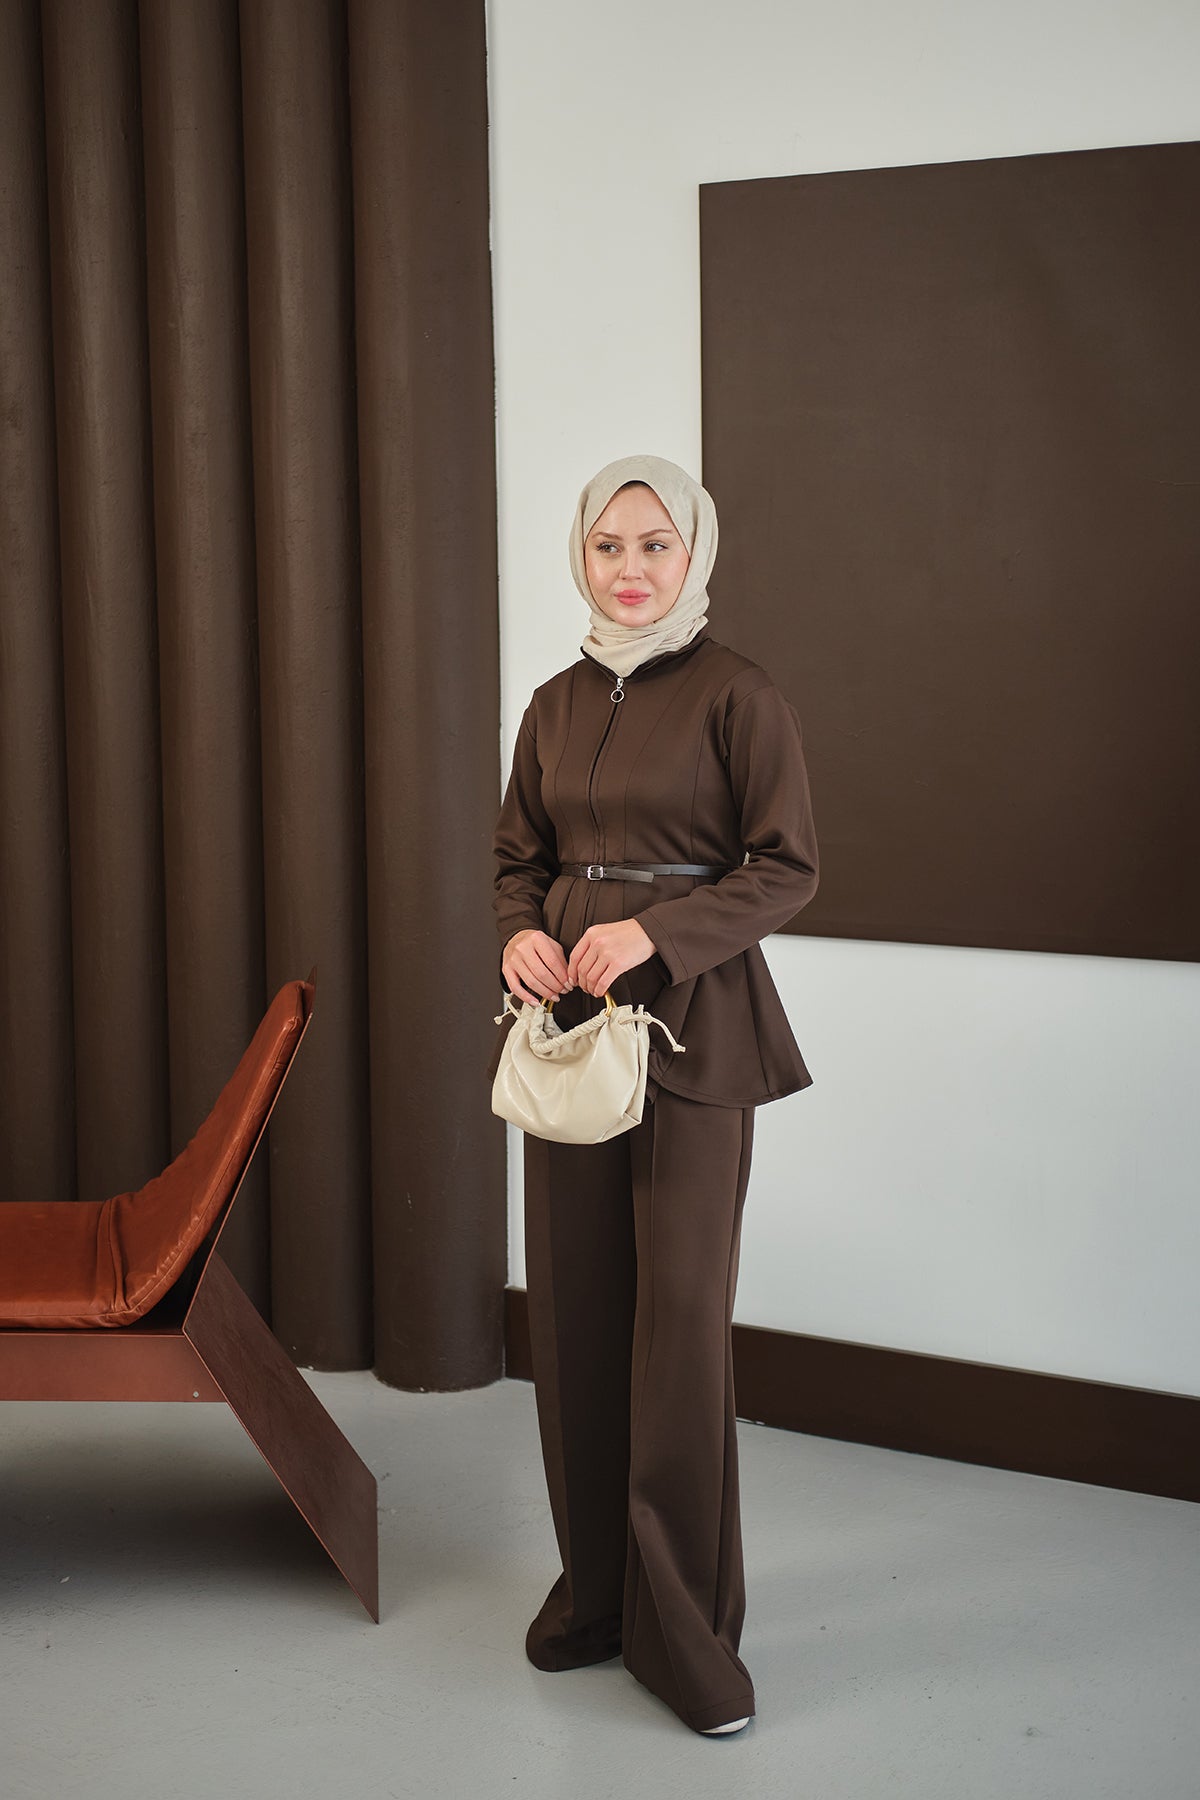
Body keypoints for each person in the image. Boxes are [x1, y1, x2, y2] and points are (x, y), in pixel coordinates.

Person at [490, 453, 819, 1736]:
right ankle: (595, 1599)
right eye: (608, 547)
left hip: (693, 1037)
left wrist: (656, 935)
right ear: (583, 555)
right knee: (574, 1319)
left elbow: (786, 867)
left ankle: (684, 1631)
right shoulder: (553, 703)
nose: (630, 571)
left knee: (677, 1329)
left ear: (696, 554)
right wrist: (520, 934)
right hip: (571, 1032)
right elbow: (515, 857)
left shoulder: (741, 696)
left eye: (655, 546)